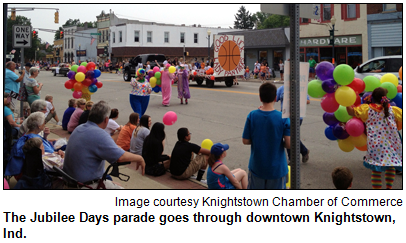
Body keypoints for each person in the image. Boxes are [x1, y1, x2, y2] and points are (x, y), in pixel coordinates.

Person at [63, 101, 145, 189]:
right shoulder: (99, 133)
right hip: (85, 185)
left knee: (114, 184)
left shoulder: (80, 128)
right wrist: (139, 158)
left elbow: (99, 145)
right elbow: (120, 158)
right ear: (106, 120)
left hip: (71, 181)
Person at [346, 87, 402, 189]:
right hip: (393, 143)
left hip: (376, 144)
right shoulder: (393, 110)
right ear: (385, 97)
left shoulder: (367, 109)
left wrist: (346, 101)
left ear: (372, 97)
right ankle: (389, 189)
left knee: (376, 169)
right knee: (391, 165)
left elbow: (351, 112)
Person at [242, 83, 290, 189]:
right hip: (277, 169)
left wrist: (257, 140)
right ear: (275, 97)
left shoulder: (252, 115)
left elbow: (245, 140)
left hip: (257, 167)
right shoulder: (283, 117)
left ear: (260, 98)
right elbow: (289, 144)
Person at [5, 112, 57, 177]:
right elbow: (52, 153)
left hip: (21, 172)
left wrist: (45, 136)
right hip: (34, 173)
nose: (45, 123)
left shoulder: (26, 135)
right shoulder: (35, 140)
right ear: (39, 126)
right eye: (44, 122)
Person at [276, 85, 310, 163]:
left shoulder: (300, 87)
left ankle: (292, 158)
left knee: (289, 136)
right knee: (290, 137)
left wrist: (296, 99)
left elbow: (308, 101)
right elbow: (274, 98)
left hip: (297, 117)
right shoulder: (282, 88)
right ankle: (304, 151)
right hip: (285, 117)